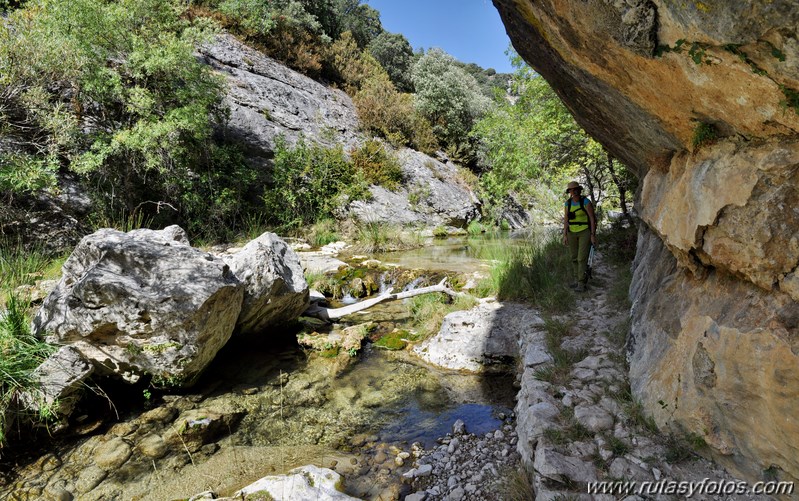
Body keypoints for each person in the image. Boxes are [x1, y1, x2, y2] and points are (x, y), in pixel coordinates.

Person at [562, 181, 597, 291]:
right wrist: (565, 235)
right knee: (574, 257)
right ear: (570, 192)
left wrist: (592, 234)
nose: (574, 191)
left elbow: (592, 219)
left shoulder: (586, 202)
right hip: (571, 232)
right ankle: (577, 280)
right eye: (572, 190)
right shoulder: (568, 203)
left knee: (582, 258)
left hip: (584, 232)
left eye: (576, 189)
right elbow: (566, 219)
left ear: (580, 190)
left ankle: (581, 283)